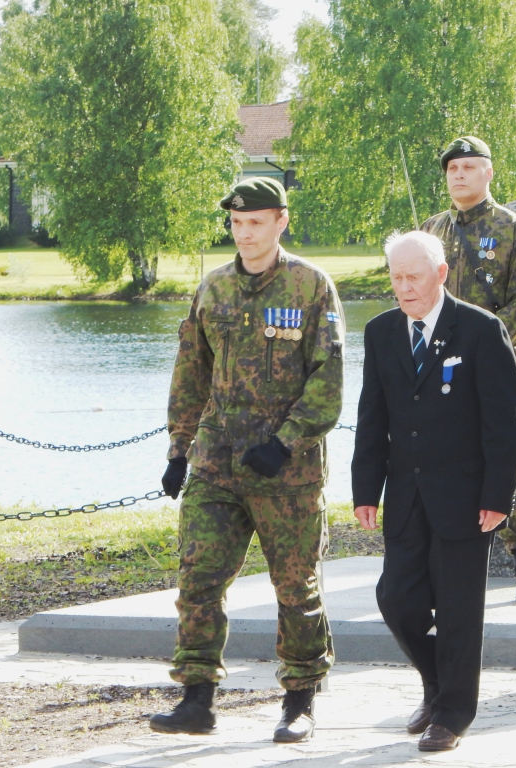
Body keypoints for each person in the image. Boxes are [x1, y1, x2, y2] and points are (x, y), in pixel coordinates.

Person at [150, 177, 344, 743]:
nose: (245, 233)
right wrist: (178, 450)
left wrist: (284, 443)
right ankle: (196, 697)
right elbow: (189, 375)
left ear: (281, 221)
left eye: (255, 222)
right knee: (198, 579)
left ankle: (299, 700)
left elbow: (328, 381)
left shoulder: (311, 287)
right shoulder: (213, 289)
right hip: (217, 463)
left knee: (295, 586)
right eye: (237, 223)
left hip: (288, 470)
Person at [352, 230, 516, 752]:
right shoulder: (382, 332)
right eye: (396, 277)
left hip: (467, 500)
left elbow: (505, 422)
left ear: (441, 274)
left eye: (413, 277)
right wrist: (366, 488)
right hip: (406, 496)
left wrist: (499, 495)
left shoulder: (479, 330)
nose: (404, 288)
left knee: (457, 611)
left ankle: (452, 713)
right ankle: (437, 682)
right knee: (396, 599)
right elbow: (371, 416)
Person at [420, 135, 516, 605]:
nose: (459, 175)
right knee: (439, 461)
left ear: (488, 172)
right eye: (452, 169)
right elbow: (414, 294)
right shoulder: (430, 231)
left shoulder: (515, 230)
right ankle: (442, 559)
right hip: (437, 367)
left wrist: (483, 350)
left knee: (509, 464)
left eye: (469, 167)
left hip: (496, 366)